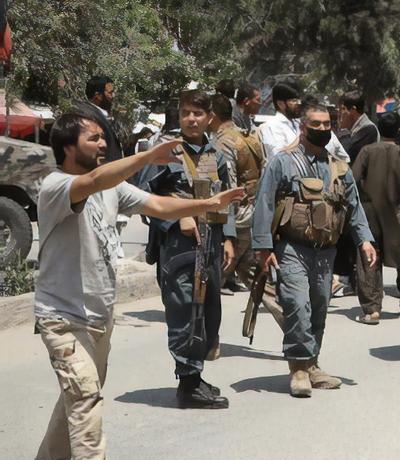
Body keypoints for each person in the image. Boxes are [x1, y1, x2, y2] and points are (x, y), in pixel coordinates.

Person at [26, 113, 243, 460]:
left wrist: (207, 204)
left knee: (77, 396)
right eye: (93, 139)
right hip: (62, 316)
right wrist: (146, 159)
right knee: (85, 394)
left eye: (103, 138)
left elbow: (158, 204)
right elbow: (93, 183)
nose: (103, 143)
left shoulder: (111, 187)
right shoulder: (58, 187)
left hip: (98, 315)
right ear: (68, 147)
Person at [252, 100, 377, 397]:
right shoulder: (283, 161)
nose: (321, 129)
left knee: (319, 307)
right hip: (292, 247)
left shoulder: (338, 166)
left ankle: (312, 363)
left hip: (325, 251)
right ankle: (297, 368)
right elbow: (265, 203)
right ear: (302, 126)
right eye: (315, 125)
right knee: (297, 305)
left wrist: (365, 240)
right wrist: (262, 247)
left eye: (326, 124)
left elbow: (353, 207)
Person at [137, 90, 238, 409]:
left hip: (210, 245)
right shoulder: (167, 152)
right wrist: (176, 216)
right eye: (185, 113)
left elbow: (224, 200)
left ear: (210, 117)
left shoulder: (214, 154)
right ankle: (188, 383)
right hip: (178, 250)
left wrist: (230, 238)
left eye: (197, 113)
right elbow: (140, 198)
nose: (191, 119)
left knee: (208, 313)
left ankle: (195, 375)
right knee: (184, 310)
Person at [352, 111, 400, 323]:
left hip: (370, 211)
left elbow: (353, 178)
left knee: (369, 257)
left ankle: (372, 309)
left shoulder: (367, 151)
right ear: (399, 130)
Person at [212, 93, 271, 302]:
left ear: (212, 116)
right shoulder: (249, 136)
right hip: (252, 213)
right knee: (256, 276)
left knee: (213, 277)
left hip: (235, 220)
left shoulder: (224, 142)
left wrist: (227, 227)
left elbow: (228, 184)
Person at [259, 77, 350, 162]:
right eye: (294, 101)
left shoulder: (301, 122)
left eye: (299, 100)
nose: (299, 103)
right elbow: (277, 159)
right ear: (280, 104)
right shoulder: (270, 126)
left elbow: (339, 152)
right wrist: (303, 138)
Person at [72, 76, 123, 163]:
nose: (113, 96)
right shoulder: (88, 117)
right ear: (98, 96)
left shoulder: (98, 114)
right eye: (110, 93)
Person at [337, 90, 378, 162]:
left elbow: (345, 154)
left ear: (353, 110)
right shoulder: (356, 128)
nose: (340, 113)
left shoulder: (368, 129)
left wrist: (344, 131)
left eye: (343, 109)